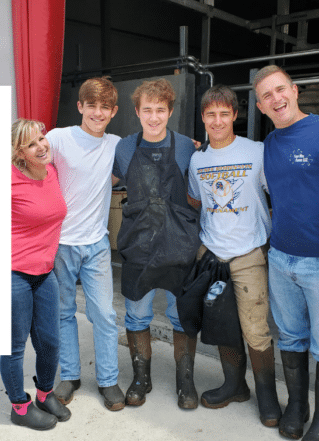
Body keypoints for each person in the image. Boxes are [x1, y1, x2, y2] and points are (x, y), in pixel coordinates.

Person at [187, 85, 281, 427]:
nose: (217, 121)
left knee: (255, 328)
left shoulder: (257, 152)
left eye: (224, 114)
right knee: (222, 325)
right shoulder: (198, 160)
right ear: (202, 118)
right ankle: (234, 385)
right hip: (211, 254)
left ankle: (267, 396)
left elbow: (276, 193)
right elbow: (196, 200)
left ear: (235, 116)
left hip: (249, 254)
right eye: (210, 114)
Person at [112, 78, 200, 409]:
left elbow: (199, 190)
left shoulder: (186, 147)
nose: (153, 116)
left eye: (160, 110)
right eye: (147, 110)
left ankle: (185, 382)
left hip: (179, 248)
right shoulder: (123, 148)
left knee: (182, 318)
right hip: (138, 248)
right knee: (136, 318)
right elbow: (100, 180)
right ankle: (140, 378)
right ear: (137, 112)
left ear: (170, 111)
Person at [46, 77, 126, 411]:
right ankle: (70, 376)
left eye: (104, 107)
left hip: (96, 243)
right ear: (80, 106)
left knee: (105, 314)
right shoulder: (59, 138)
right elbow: (28, 166)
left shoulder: (117, 145)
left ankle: (108, 380)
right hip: (60, 243)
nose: (97, 112)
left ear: (113, 111)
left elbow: (153, 148)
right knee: (63, 312)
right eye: (90, 105)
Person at [254, 65, 319, 441]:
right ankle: (297, 405)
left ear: (295, 90)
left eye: (280, 90)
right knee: (292, 338)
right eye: (267, 96)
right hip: (280, 259)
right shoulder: (269, 145)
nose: (276, 99)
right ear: (261, 107)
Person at [3, 118, 70, 430]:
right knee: (15, 346)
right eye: (31, 144)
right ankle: (19, 406)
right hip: (13, 274)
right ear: (19, 152)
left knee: (50, 342)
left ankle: (44, 394)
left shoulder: (52, 172)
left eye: (41, 138)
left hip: (45, 272)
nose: (41, 146)